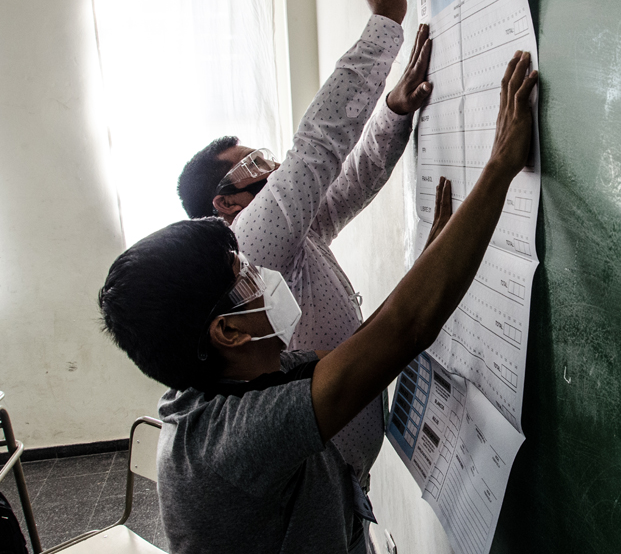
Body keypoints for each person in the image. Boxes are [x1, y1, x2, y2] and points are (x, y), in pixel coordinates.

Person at [99, 51, 538, 554]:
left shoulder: (238, 374)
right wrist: (501, 164)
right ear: (227, 331)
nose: (262, 276)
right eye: (246, 275)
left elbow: (370, 347)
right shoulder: (241, 436)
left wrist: (430, 261)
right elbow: (405, 328)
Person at [175, 0, 432, 489]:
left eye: (265, 156)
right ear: (224, 202)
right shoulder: (250, 244)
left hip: (342, 481)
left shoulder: (292, 236)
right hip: (322, 484)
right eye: (253, 165)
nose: (271, 168)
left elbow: (355, 175)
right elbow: (319, 146)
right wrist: (384, 26)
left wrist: (395, 109)